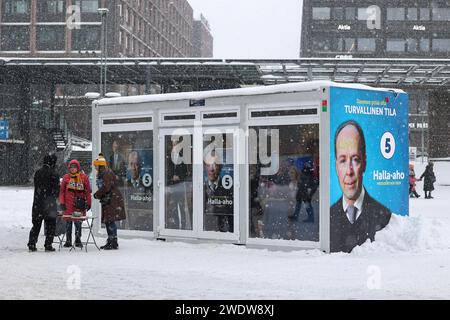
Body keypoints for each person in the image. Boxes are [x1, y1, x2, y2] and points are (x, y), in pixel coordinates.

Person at [330, 120, 391, 253]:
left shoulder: (384, 216)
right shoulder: (327, 217)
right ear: (336, 166)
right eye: (342, 161)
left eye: (355, 159)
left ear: (364, 163)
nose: (349, 171)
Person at [93, 154, 126, 250]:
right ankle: (111, 241)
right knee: (109, 221)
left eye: (96, 165)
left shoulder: (106, 173)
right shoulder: (105, 172)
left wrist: (97, 194)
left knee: (110, 221)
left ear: (100, 165)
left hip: (112, 200)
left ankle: (113, 242)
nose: (95, 167)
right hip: (110, 199)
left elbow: (106, 187)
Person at [27, 154, 59, 252]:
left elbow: (37, 186)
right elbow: (56, 191)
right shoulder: (54, 174)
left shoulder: (38, 173)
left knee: (36, 224)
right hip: (49, 204)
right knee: (50, 225)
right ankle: (48, 244)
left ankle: (32, 243)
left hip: (38, 202)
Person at [59, 159, 92, 248]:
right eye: (71, 167)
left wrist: (89, 203)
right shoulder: (66, 177)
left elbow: (87, 191)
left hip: (79, 204)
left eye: (75, 167)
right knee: (68, 222)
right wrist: (62, 202)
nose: (73, 169)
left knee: (78, 223)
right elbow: (62, 192)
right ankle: (68, 240)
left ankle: (78, 239)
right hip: (68, 204)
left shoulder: (84, 177)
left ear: (78, 168)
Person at [203, 153, 234, 233]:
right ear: (205, 167)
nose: (211, 169)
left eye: (215, 165)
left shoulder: (228, 186)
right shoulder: (201, 187)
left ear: (220, 167)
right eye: (209, 165)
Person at [123, 150, 152, 230]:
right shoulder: (125, 185)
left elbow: (148, 203)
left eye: (136, 164)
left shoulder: (147, 183)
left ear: (140, 165)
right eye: (131, 164)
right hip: (131, 222)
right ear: (128, 166)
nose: (133, 168)